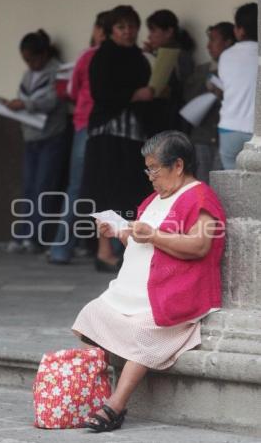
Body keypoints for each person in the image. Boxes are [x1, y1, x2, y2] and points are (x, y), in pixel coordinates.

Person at [72, 130, 226, 432]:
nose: (150, 176)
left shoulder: (199, 197)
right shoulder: (155, 199)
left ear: (178, 166)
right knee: (91, 316)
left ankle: (115, 406)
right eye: (148, 168)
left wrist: (154, 235)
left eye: (154, 168)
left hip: (172, 294)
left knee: (144, 334)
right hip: (136, 290)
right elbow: (141, 243)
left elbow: (200, 246)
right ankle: (96, 391)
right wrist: (118, 231)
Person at [81, 5, 153, 272]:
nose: (128, 32)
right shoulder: (103, 56)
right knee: (106, 192)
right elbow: (102, 94)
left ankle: (128, 251)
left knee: (131, 193)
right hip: (108, 136)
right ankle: (103, 251)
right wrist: (136, 94)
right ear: (111, 30)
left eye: (132, 26)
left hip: (134, 136)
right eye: (122, 27)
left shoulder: (140, 57)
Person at [47, 11, 110, 264]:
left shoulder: (88, 55)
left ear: (98, 30)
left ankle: (61, 249)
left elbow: (72, 90)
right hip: (110, 130)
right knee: (109, 189)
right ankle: (110, 249)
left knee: (76, 188)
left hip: (85, 124)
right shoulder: (124, 58)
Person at [6, 30, 69, 253]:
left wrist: (26, 106)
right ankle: (22, 233)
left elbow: (54, 100)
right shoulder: (27, 75)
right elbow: (23, 96)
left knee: (44, 186)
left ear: (44, 55)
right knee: (29, 187)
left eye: (32, 59)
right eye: (26, 60)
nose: (30, 64)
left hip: (51, 136)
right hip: (30, 136)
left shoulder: (58, 71)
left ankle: (35, 237)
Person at [184, 22, 235, 183]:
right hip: (203, 136)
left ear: (228, 42)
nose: (208, 46)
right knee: (201, 185)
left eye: (213, 40)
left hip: (225, 137)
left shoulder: (238, 69)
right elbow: (186, 97)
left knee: (223, 187)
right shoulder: (202, 70)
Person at [142, 9, 196, 135]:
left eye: (153, 31)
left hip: (172, 119)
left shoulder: (181, 56)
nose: (149, 36)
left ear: (169, 32)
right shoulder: (156, 54)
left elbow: (187, 89)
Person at [218, 3, 258, 169]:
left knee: (231, 183)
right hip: (257, 130)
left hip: (229, 128)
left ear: (240, 30)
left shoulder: (226, 55)